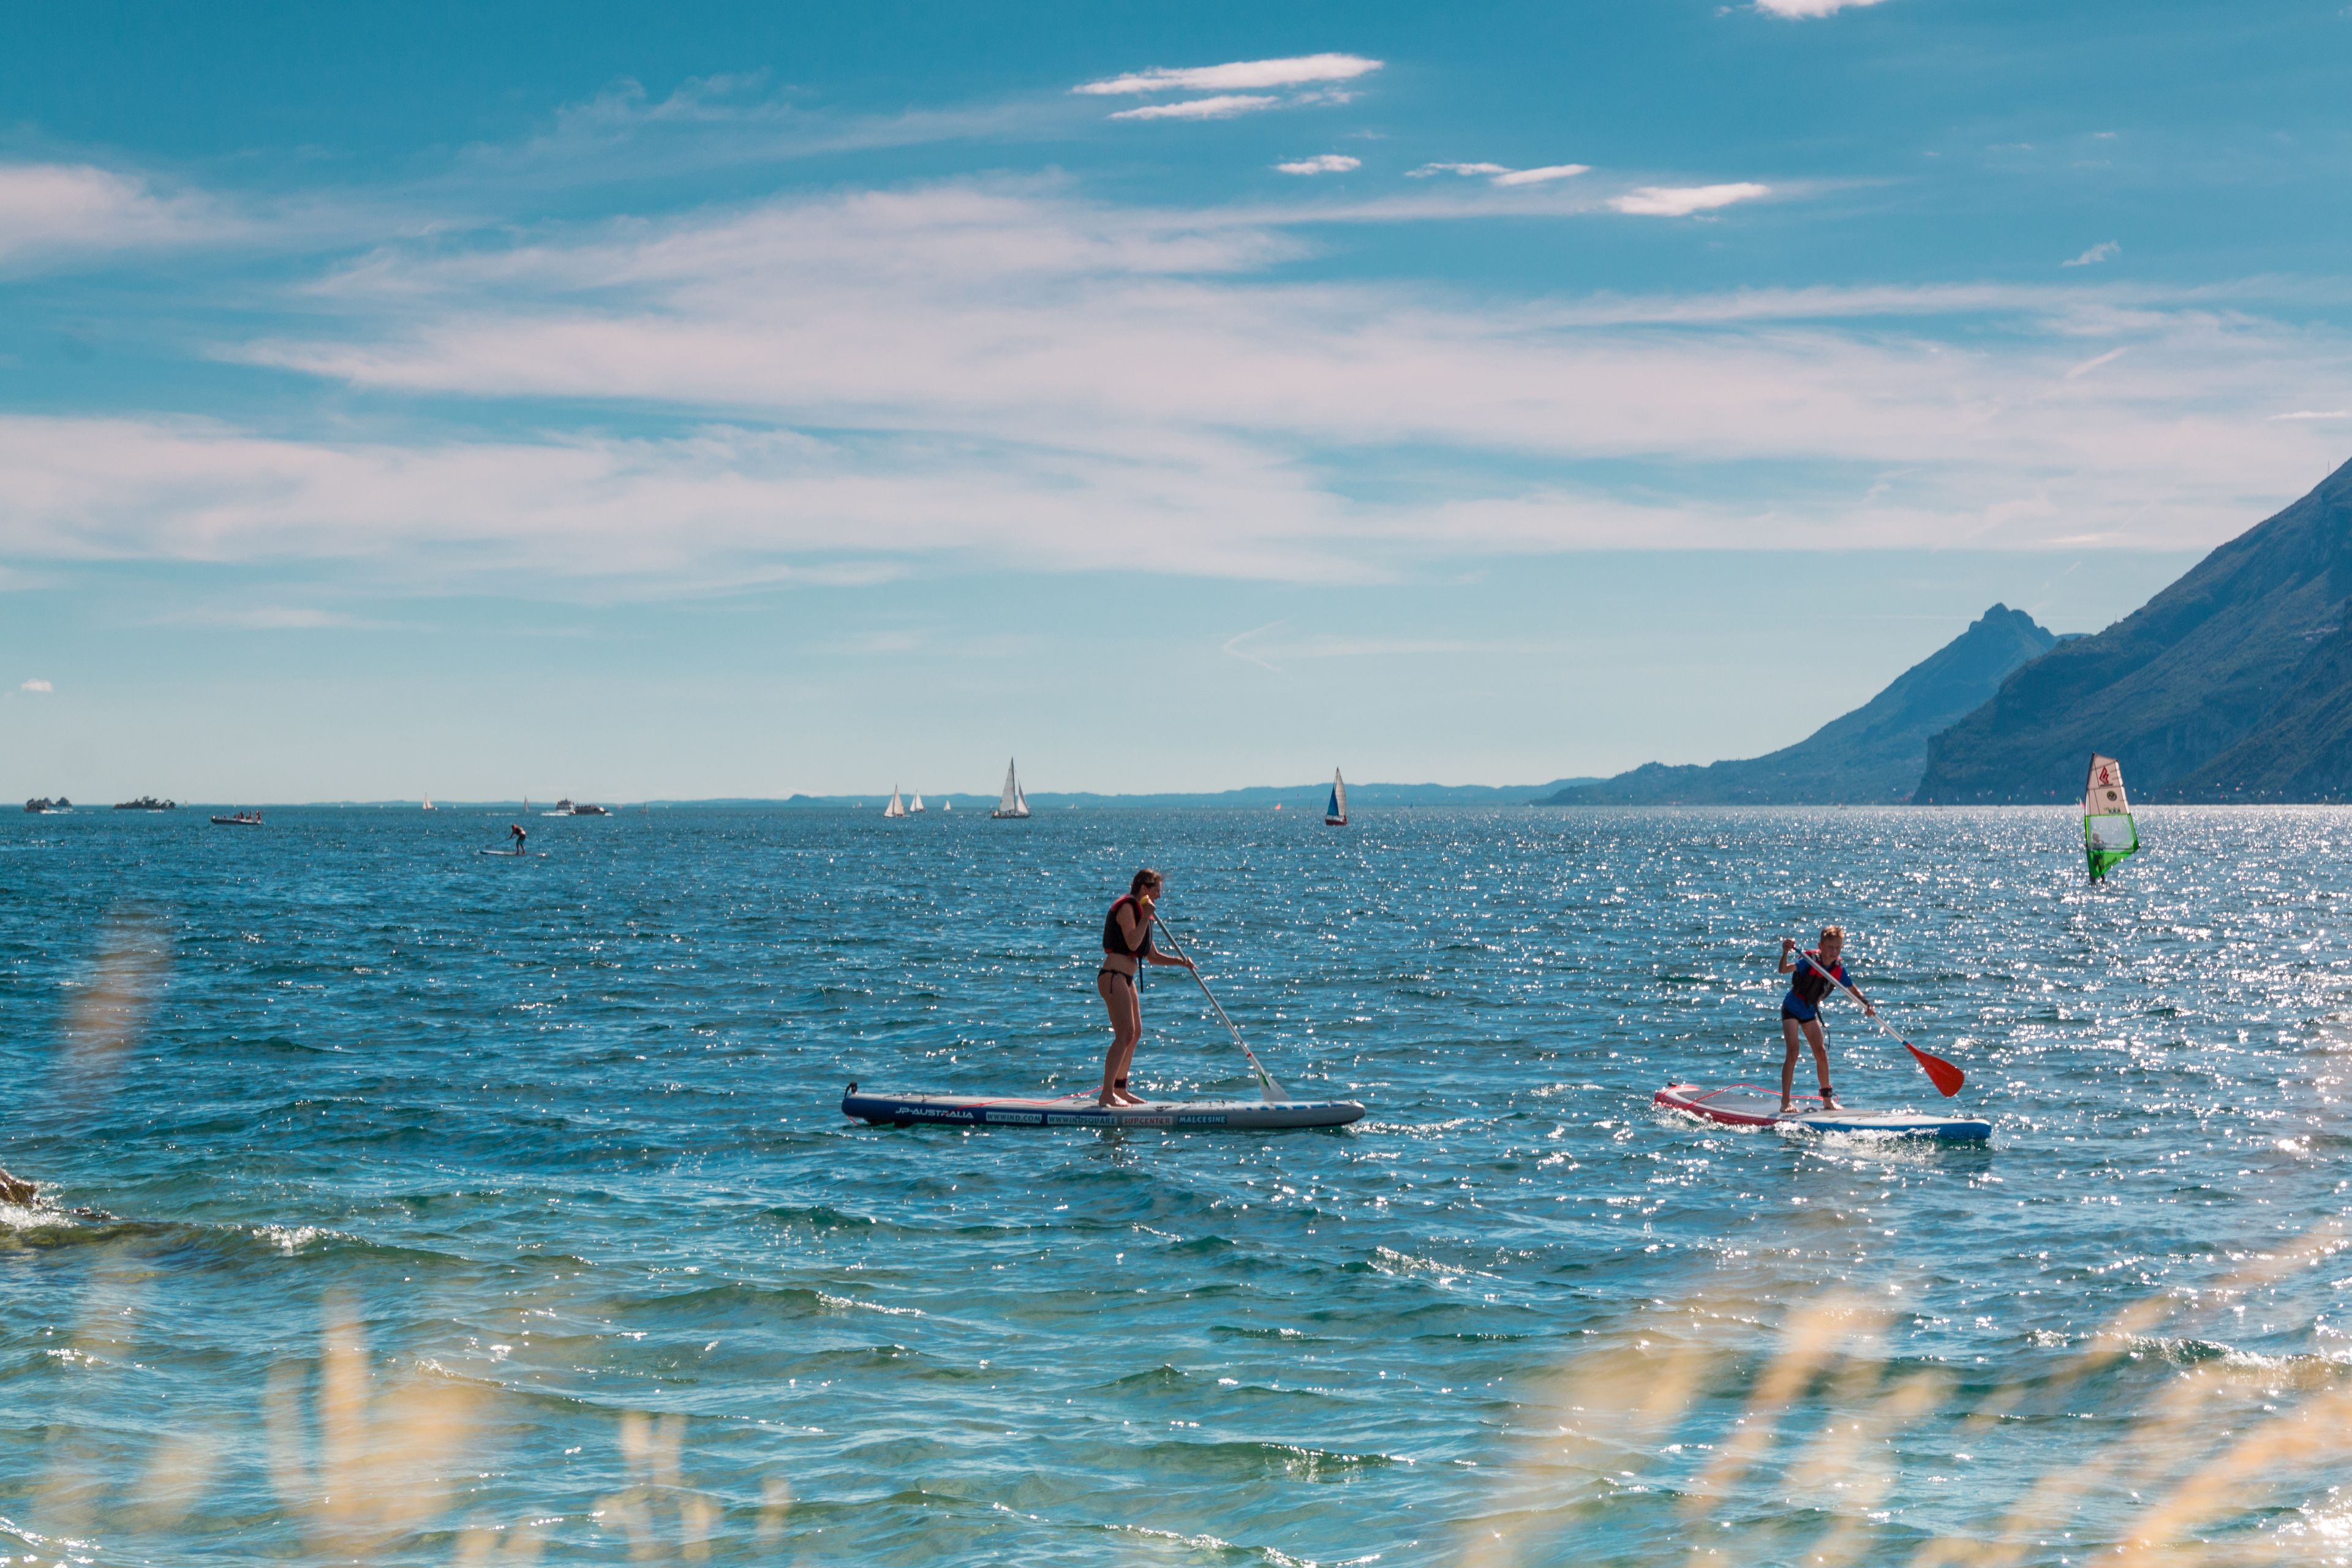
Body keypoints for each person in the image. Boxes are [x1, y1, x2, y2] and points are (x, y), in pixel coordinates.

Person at [1097, 868, 1195, 1107]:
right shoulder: (1128, 908)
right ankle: (1106, 1094)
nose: (1160, 896)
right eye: (1157, 891)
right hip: (1113, 976)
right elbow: (1132, 941)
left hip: (1126, 978)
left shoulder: (1144, 914)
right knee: (1124, 1035)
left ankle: (1121, 1089)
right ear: (1144, 889)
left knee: (1136, 1033)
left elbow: (1152, 956)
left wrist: (1181, 963)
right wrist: (1145, 916)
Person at [1777, 927, 1875, 1114]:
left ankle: (1827, 1101)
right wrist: (1785, 953)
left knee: (1821, 1053)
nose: (1834, 952)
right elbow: (1783, 970)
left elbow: (1853, 990)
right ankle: (1785, 1102)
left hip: (1808, 1012)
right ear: (1820, 946)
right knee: (1793, 1052)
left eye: (1838, 948)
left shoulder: (1838, 969)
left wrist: (1866, 1005)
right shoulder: (1809, 961)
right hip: (1791, 1008)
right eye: (1830, 948)